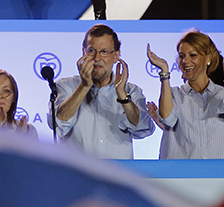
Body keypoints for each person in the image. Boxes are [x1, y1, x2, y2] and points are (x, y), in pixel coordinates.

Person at [54, 24, 154, 158]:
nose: (97, 58)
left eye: (104, 52)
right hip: (77, 175)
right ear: (83, 52)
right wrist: (84, 86)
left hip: (115, 175)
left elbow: (142, 128)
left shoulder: (131, 90)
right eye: (91, 51)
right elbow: (58, 124)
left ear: (116, 55)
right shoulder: (66, 86)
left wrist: (123, 96)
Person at [145, 31, 224, 159]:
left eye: (192, 55)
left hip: (219, 175)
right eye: (181, 56)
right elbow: (168, 120)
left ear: (208, 58)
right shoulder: (174, 94)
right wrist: (164, 72)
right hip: (181, 176)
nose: (185, 61)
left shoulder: (223, 93)